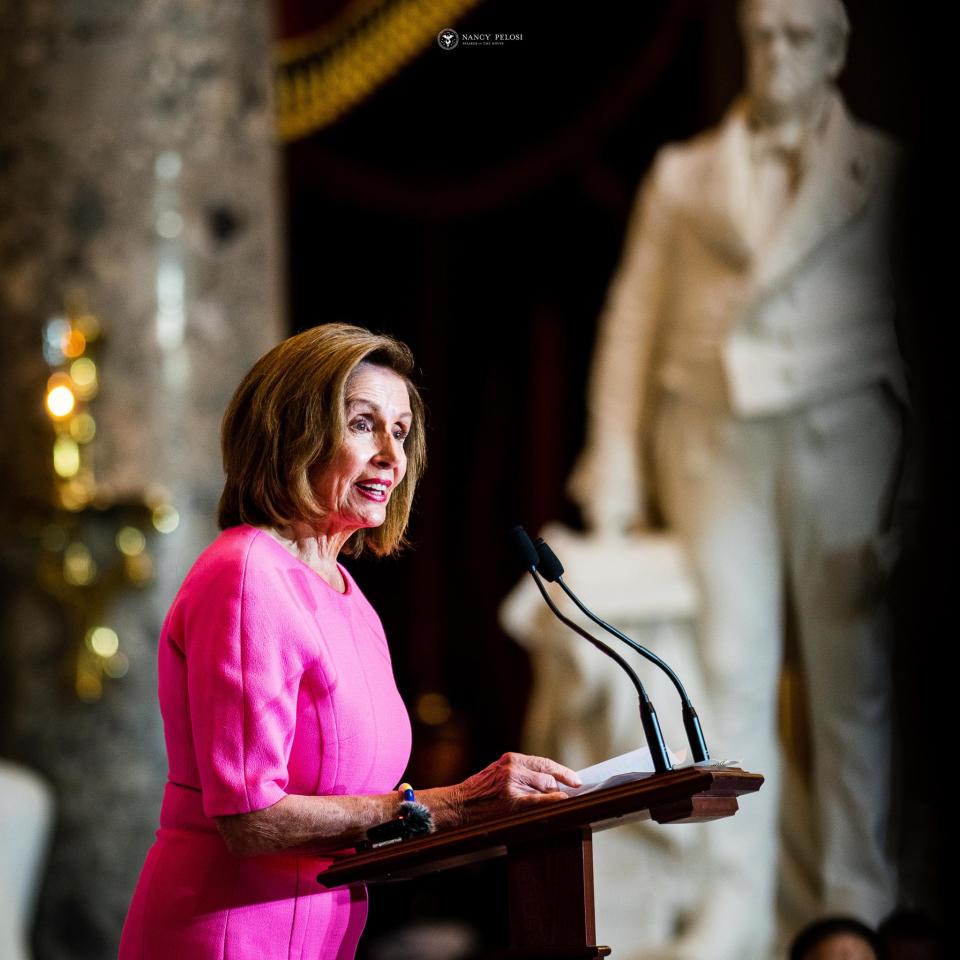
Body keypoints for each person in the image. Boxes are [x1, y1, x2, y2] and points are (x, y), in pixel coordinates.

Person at [568, 1, 904, 957]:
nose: (776, 54)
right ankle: (736, 900)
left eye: (798, 37)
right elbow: (630, 326)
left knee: (853, 688)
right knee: (728, 675)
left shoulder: (882, 171)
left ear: (837, 47)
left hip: (848, 438)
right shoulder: (685, 176)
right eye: (761, 36)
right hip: (714, 441)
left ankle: (856, 906)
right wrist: (618, 465)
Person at [118, 323, 580, 959]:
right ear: (292, 430)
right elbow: (250, 819)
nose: (391, 456)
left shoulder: (346, 595)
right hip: (228, 933)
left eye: (400, 432)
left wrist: (482, 815)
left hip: (320, 933)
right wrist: (452, 804)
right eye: (364, 424)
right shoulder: (248, 574)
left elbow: (361, 810)